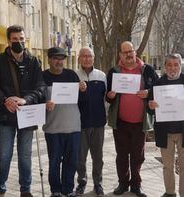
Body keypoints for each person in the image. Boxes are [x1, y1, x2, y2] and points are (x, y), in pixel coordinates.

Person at [0, 25, 45, 197]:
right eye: (15, 39)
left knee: (25, 156)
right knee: (4, 155)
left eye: (21, 39)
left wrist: (26, 100)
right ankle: (0, 188)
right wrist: (5, 100)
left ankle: (25, 190)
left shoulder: (34, 61)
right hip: (6, 116)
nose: (18, 42)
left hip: (27, 114)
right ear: (8, 41)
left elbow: (40, 87)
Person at [106, 41, 158, 197]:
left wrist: (148, 92)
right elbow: (108, 95)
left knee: (138, 156)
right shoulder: (114, 71)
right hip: (120, 122)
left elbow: (157, 88)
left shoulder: (147, 70)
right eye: (125, 52)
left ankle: (136, 185)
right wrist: (110, 96)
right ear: (120, 55)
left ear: (135, 52)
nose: (128, 54)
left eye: (131, 51)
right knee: (121, 155)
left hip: (140, 122)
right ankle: (123, 183)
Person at [42, 47, 86, 197]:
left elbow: (80, 100)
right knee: (54, 162)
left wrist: (82, 89)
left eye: (61, 59)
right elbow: (36, 99)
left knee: (71, 161)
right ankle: (55, 191)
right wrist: (44, 104)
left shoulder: (72, 75)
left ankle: (68, 190)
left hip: (73, 127)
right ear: (49, 60)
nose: (59, 61)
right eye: (55, 58)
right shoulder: (42, 77)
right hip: (53, 128)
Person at [148, 54, 184, 197]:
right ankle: (170, 192)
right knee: (167, 165)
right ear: (165, 66)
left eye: (176, 65)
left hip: (183, 131)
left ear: (180, 65)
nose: (172, 68)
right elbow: (149, 107)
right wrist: (150, 105)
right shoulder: (158, 84)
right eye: (169, 65)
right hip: (165, 132)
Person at [75, 47, 106, 196]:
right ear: (79, 58)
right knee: (80, 157)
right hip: (80, 123)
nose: (87, 59)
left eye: (89, 56)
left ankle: (98, 183)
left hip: (98, 123)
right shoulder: (73, 75)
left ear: (94, 58)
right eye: (84, 56)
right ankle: (81, 182)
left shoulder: (101, 75)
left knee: (98, 156)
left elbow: (107, 99)